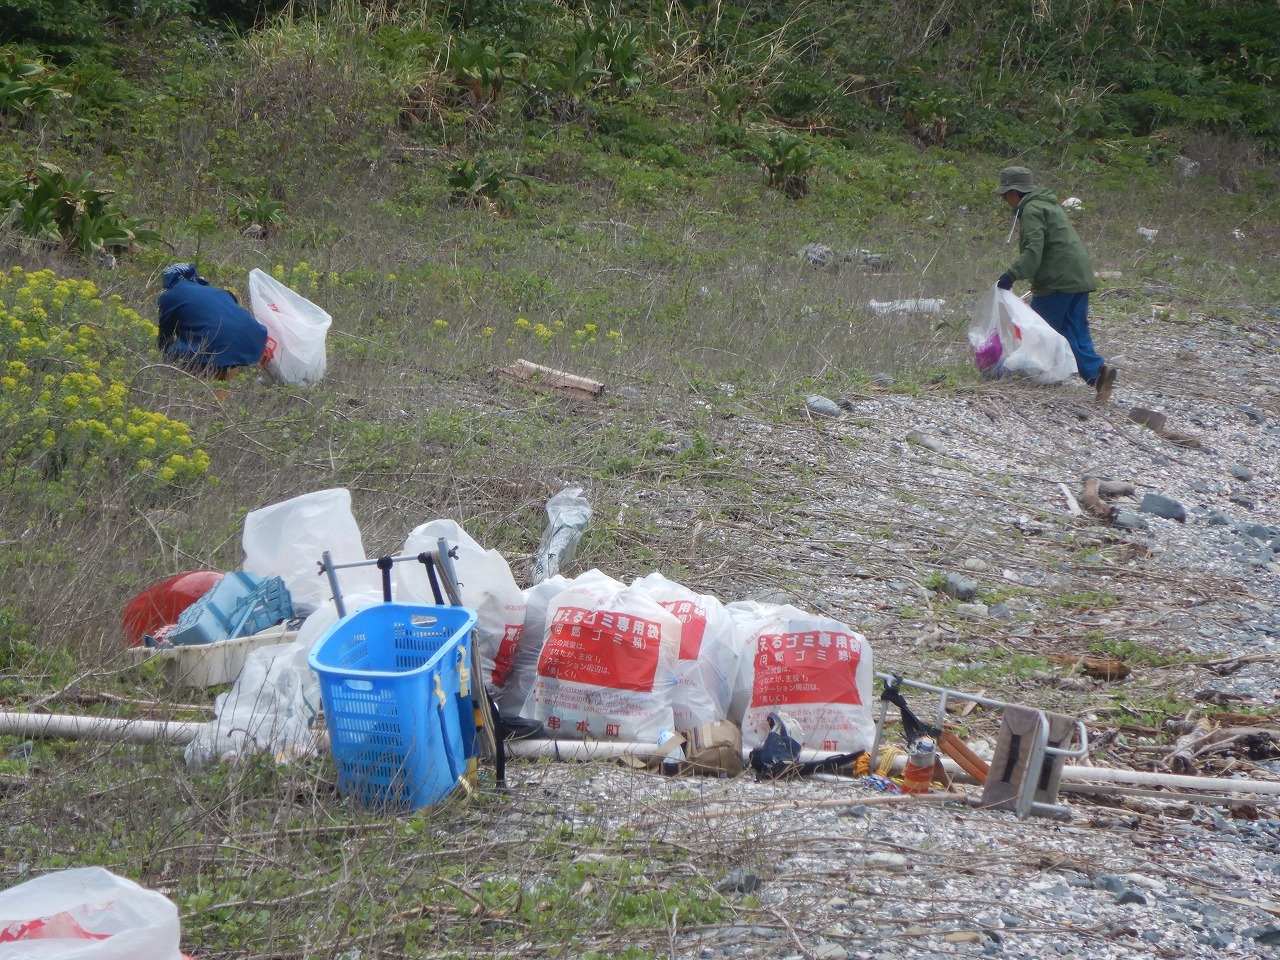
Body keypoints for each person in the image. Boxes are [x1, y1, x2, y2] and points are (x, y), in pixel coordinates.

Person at [994, 166, 1116, 403]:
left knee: (1037, 330)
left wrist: (1011, 275)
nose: (1004, 200)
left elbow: (1033, 250)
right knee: (1074, 330)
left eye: (1005, 194)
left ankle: (1032, 376)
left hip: (1057, 280)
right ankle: (1098, 373)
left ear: (1015, 192)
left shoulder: (1031, 210)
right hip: (1079, 276)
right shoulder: (1048, 205)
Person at [157, 263, 268, 382]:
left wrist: (165, 358)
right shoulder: (220, 292)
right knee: (225, 355)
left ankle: (197, 386)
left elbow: (165, 336)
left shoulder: (170, 295)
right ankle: (224, 387)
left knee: (174, 351)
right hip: (254, 340)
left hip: (217, 343)